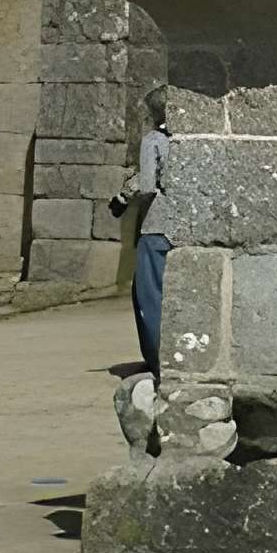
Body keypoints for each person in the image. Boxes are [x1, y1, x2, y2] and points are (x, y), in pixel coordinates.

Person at [109, 87, 170, 377]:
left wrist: (123, 197)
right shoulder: (189, 141)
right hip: (185, 228)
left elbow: (147, 185)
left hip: (156, 226)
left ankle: (158, 360)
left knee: (150, 295)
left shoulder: (154, 141)